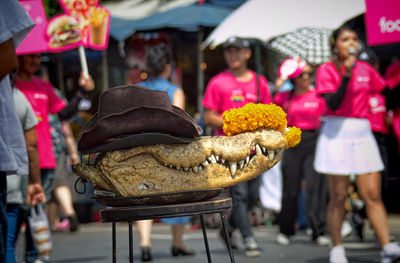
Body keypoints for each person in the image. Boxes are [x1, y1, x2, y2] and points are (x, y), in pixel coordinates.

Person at [313, 25, 400, 263]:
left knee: (372, 193)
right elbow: (332, 102)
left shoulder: (366, 69)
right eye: (345, 39)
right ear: (335, 45)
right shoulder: (326, 70)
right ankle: (337, 248)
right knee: (338, 196)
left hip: (362, 132)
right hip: (336, 132)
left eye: (354, 39)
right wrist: (347, 76)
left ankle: (387, 246)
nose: (351, 43)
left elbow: (388, 95)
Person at [15, 53, 94, 263]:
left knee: (35, 211)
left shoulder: (44, 87)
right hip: (18, 161)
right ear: (18, 58)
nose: (34, 61)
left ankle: (33, 256)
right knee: (18, 212)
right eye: (30, 57)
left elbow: (64, 113)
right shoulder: (9, 86)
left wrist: (82, 92)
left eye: (37, 57)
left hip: (46, 158)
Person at [202, 36, 271, 257]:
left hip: (256, 148)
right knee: (239, 194)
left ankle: (229, 228)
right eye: (229, 51)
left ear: (247, 54)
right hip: (230, 147)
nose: (233, 55)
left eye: (237, 51)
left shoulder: (260, 82)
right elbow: (209, 117)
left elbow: (268, 114)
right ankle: (249, 237)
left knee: (252, 195)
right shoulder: (218, 82)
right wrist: (235, 121)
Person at [135, 43, 195, 261]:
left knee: (143, 196)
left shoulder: (136, 90)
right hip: (168, 151)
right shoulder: (174, 91)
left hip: (140, 150)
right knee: (177, 196)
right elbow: (177, 122)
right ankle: (177, 243)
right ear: (168, 66)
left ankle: (145, 244)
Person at [273, 58, 330, 246]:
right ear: (294, 78)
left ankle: (318, 230)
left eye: (308, 74)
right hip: (291, 142)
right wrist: (277, 85)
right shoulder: (284, 97)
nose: (306, 78)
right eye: (301, 75)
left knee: (316, 187)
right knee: (290, 187)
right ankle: (286, 230)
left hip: (314, 141)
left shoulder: (318, 96)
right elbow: (271, 112)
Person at [0, 1, 36, 262]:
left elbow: (31, 142)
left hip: (13, 178)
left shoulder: (20, 99)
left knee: (9, 240)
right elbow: (31, 143)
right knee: (10, 240)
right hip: (17, 178)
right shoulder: (21, 97)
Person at [7, 85, 46, 263]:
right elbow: (31, 145)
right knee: (8, 243)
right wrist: (35, 182)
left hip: (10, 184)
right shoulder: (18, 98)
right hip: (11, 182)